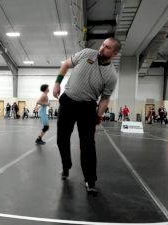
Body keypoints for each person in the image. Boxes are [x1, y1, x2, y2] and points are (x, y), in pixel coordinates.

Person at [53, 37, 120, 195]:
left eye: (108, 47)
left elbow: (105, 99)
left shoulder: (111, 75)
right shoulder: (86, 53)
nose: (102, 48)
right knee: (61, 139)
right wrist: (57, 83)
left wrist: (98, 116)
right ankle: (66, 165)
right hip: (68, 102)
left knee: (88, 145)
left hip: (88, 108)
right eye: (103, 44)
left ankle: (90, 181)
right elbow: (66, 64)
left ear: (115, 53)